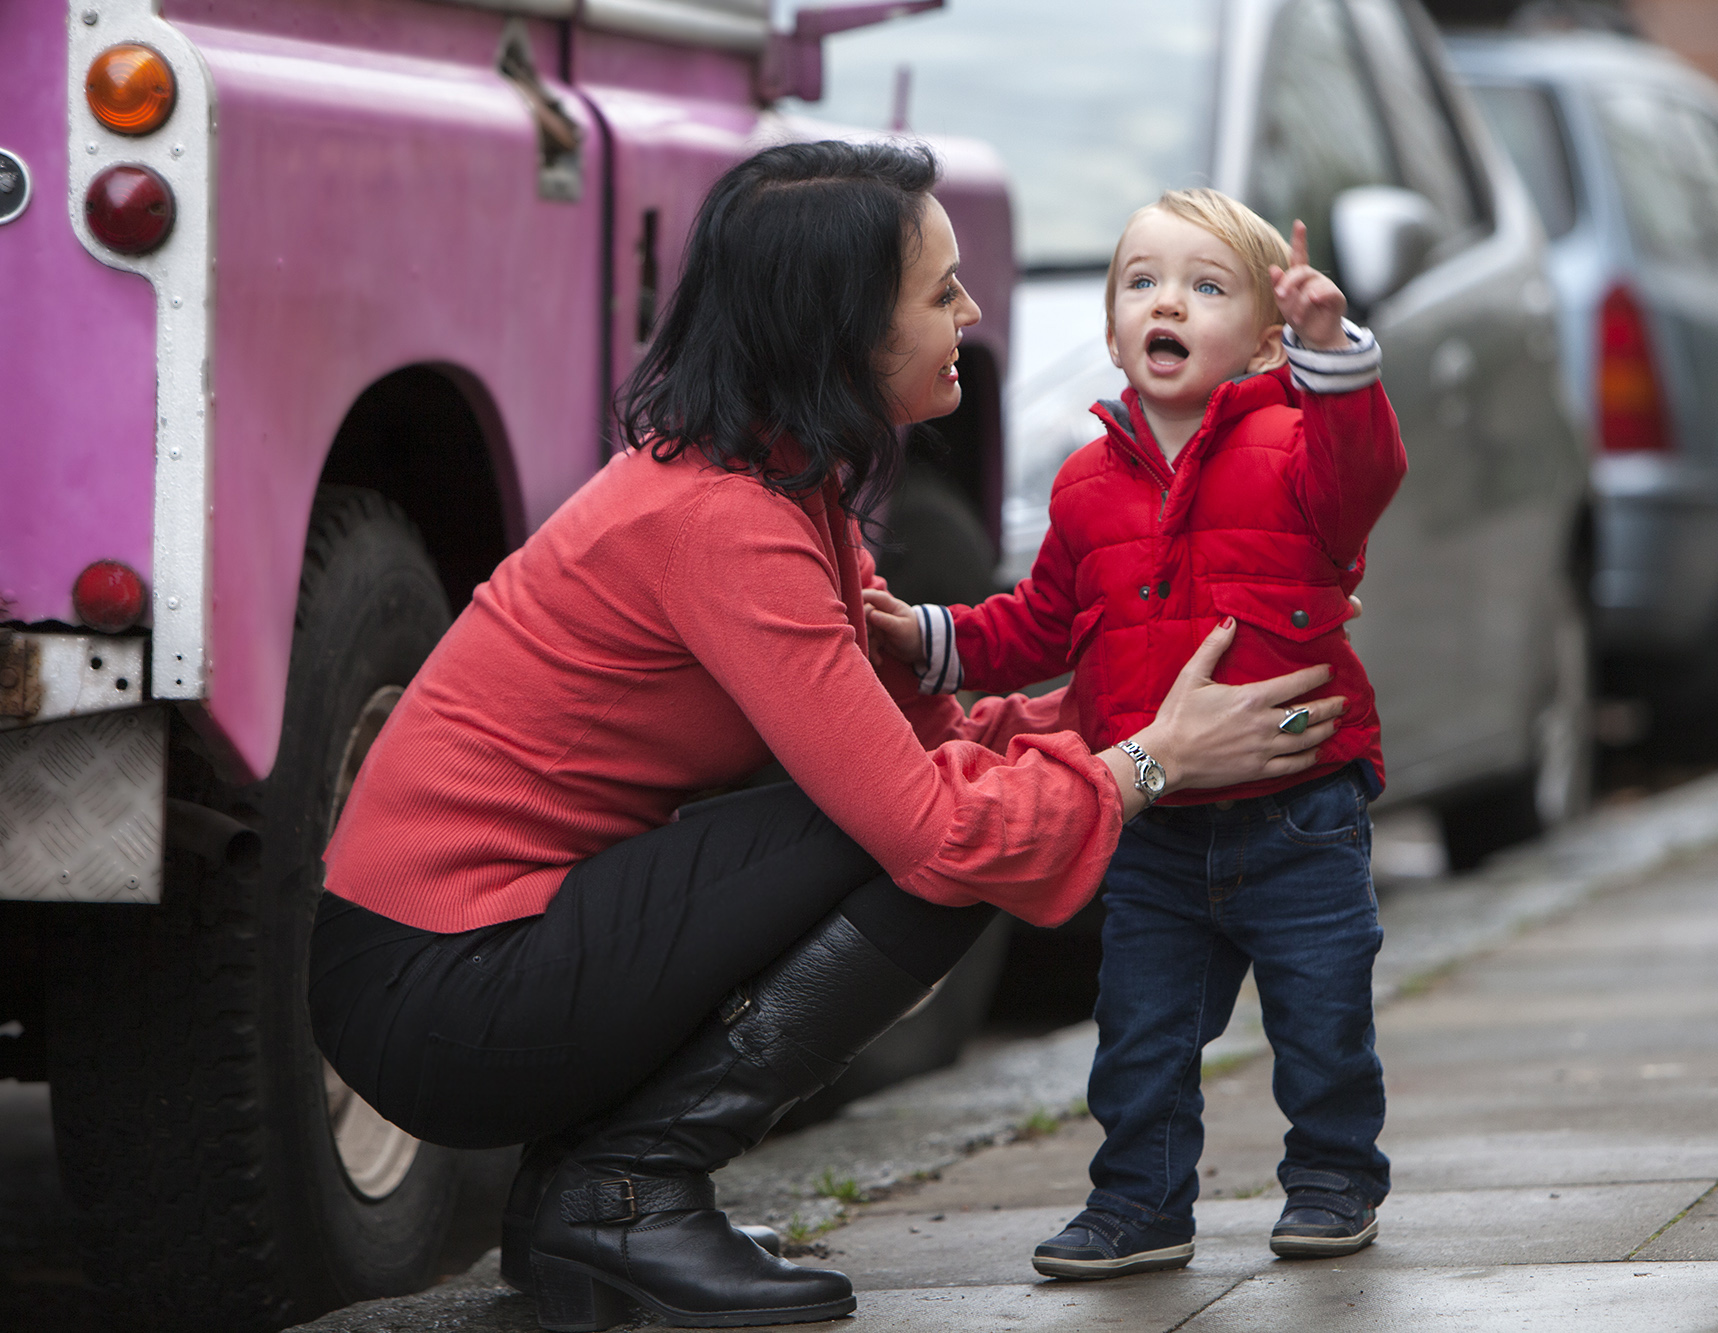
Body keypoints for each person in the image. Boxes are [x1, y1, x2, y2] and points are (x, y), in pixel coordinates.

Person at [308, 145, 1348, 1332]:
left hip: (485, 955)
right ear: (842, 328)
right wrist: (1150, 763)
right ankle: (625, 1189)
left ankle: (585, 1208)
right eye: (939, 290)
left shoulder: (781, 485)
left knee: (960, 807)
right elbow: (933, 825)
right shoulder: (722, 523)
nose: (968, 311)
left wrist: (1158, 696)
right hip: (438, 990)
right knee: (944, 848)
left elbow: (942, 733)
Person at [866, 188, 1407, 1280]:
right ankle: (1138, 1203)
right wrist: (924, 639)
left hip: (1299, 810)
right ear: (1112, 328)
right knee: (1140, 1036)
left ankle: (1333, 1176)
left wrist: (1329, 351)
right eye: (1141, 283)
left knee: (1321, 1020)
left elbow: (1366, 477)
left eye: (1205, 287)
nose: (1167, 302)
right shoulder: (1084, 485)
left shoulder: (1297, 449)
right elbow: (1037, 625)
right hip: (1156, 828)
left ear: (1257, 337)